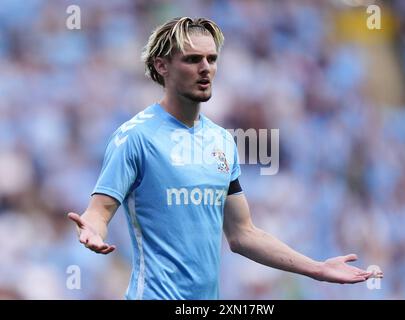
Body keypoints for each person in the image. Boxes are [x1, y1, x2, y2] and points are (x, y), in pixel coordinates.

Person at [68, 16, 383, 300]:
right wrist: (93, 230)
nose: (205, 68)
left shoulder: (221, 140)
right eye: (192, 59)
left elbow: (242, 234)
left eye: (211, 59)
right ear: (162, 66)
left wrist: (317, 269)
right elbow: (99, 211)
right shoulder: (135, 136)